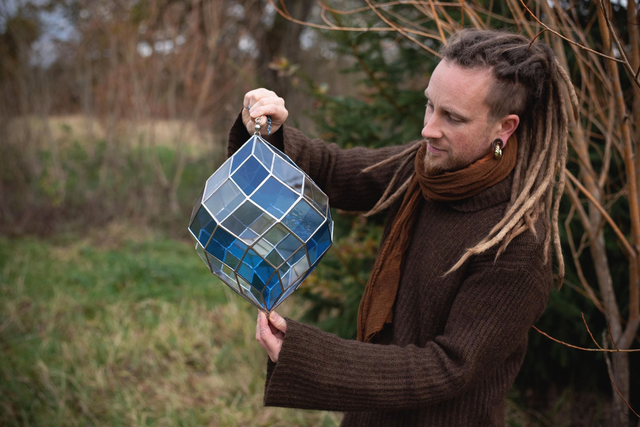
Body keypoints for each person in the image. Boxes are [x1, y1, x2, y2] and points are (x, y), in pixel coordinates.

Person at [226, 28, 576, 426]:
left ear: (505, 127)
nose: (428, 128)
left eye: (452, 117)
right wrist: (269, 132)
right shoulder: (426, 169)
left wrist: (308, 356)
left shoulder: (517, 244)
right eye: (430, 105)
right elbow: (334, 171)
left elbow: (448, 367)